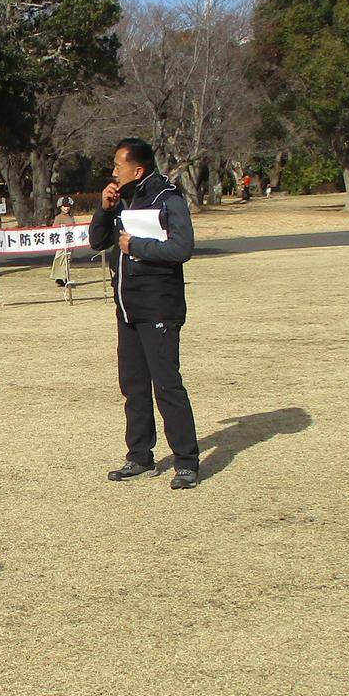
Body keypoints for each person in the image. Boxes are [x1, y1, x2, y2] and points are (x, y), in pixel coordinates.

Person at [90, 138, 200, 489]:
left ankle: (186, 462)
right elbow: (97, 241)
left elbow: (182, 248)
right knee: (134, 386)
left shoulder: (167, 198)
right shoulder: (123, 198)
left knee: (166, 385)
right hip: (128, 308)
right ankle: (140, 457)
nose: (113, 172)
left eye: (117, 166)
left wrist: (137, 246)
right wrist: (105, 208)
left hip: (159, 307)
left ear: (137, 170)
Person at [50, 194, 79, 288]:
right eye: (64, 206)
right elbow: (54, 229)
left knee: (68, 260)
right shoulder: (58, 217)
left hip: (70, 242)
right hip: (61, 242)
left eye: (68, 206)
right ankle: (61, 277)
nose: (66, 208)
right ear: (60, 207)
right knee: (60, 259)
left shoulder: (71, 217)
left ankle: (63, 277)